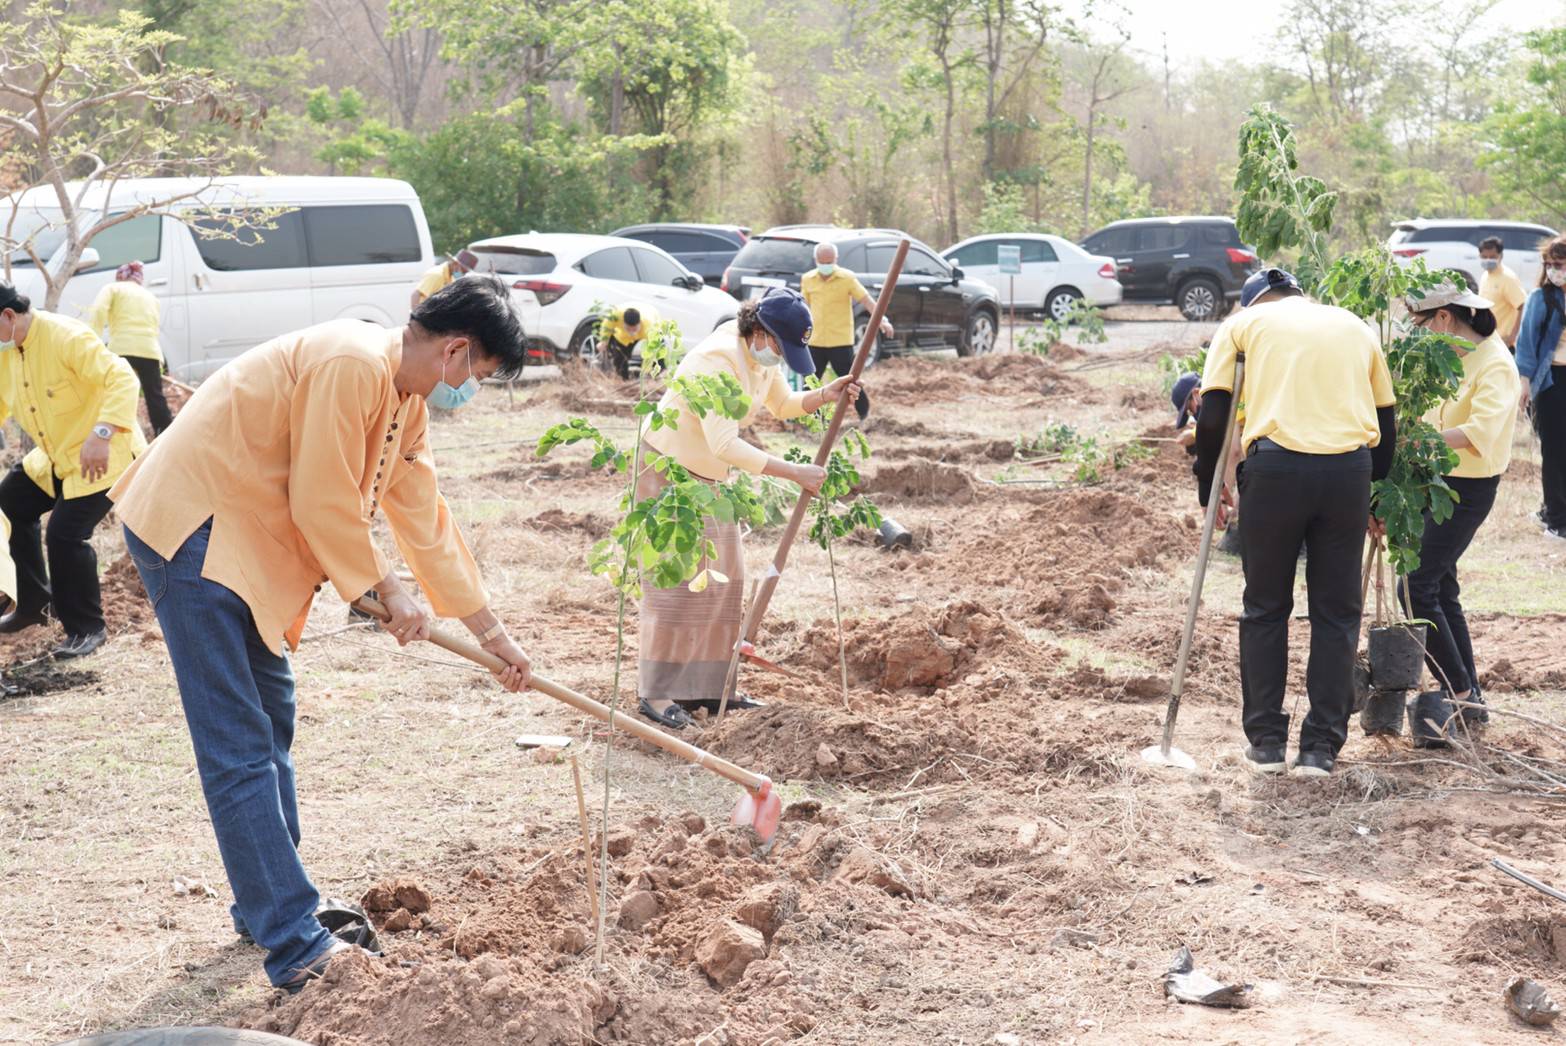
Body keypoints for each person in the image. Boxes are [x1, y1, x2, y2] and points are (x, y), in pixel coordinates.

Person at [109, 276, 533, 993]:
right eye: (479, 376)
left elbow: (420, 509)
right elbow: (322, 496)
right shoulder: (351, 362)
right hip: (195, 529)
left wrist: (488, 628)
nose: (470, 390)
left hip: (247, 541)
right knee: (239, 746)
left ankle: (269, 900)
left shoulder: (403, 396)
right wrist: (383, 590)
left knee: (271, 722)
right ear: (456, 349)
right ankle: (293, 937)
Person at [1195, 267, 1397, 778]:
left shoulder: (1244, 325)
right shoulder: (1354, 326)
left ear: (1254, 301)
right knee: (1335, 612)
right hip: (1347, 472)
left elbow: (1214, 412)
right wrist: (1374, 495)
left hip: (1276, 471)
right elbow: (1386, 420)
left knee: (1265, 606)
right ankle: (1320, 749)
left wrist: (1208, 486)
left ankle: (1265, 743)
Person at [637, 288, 862, 729]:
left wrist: (825, 395)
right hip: (668, 470)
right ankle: (658, 693)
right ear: (759, 331)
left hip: (711, 475)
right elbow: (724, 442)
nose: (783, 356)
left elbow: (782, 405)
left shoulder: (757, 358)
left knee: (726, 581)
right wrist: (793, 471)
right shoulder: (718, 360)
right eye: (783, 346)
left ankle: (710, 687)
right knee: (676, 583)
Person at [1388, 282, 1519, 726]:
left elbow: (1478, 432)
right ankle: (1470, 698)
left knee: (1415, 587)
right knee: (1441, 587)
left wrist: (1409, 441)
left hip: (1469, 488)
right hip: (1437, 480)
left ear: (1445, 318)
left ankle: (1459, 691)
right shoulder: (1453, 357)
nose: (1419, 334)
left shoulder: (1495, 364)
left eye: (1422, 324)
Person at [0, 281, 146, 658]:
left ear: (8, 315)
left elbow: (123, 378)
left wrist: (102, 433)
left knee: (65, 535)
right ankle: (34, 606)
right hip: (55, 457)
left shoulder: (65, 336)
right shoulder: (7, 352)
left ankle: (87, 630)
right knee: (10, 504)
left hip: (101, 455)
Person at [800, 243, 891, 421]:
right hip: (815, 340)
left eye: (829, 261)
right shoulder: (808, 279)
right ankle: (811, 418)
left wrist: (882, 320)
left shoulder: (847, 278)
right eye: (821, 261)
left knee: (850, 381)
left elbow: (867, 300)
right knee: (810, 381)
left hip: (840, 341)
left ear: (836, 260)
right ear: (816, 261)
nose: (825, 265)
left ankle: (864, 413)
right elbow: (803, 306)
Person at [1515, 234, 1566, 541]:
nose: (1552, 270)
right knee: (1555, 450)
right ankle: (1556, 518)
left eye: (1558, 264)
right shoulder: (1540, 298)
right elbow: (1526, 345)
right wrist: (1524, 383)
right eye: (1548, 264)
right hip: (1550, 382)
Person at [86, 261, 173, 435]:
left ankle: (116, 434)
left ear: (120, 277)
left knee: (116, 392)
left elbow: (98, 311)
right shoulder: (151, 297)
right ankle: (166, 435)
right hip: (150, 350)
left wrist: (92, 340)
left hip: (122, 348)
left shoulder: (113, 288)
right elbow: (154, 328)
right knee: (155, 397)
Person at [1478, 236, 1527, 352]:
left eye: (1492, 257)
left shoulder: (1507, 277)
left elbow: (1523, 306)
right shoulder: (1485, 275)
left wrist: (1512, 338)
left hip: (1504, 343)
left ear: (1501, 256)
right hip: (1489, 340)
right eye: (1484, 257)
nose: (1488, 260)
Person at [598, 303, 660, 379]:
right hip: (623, 336)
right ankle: (623, 380)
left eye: (634, 329)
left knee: (656, 359)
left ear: (639, 323)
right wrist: (603, 341)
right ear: (623, 322)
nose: (631, 332)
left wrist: (645, 371)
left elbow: (651, 351)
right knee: (620, 359)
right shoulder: (616, 315)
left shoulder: (649, 327)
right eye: (628, 328)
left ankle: (653, 378)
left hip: (646, 329)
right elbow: (606, 326)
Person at [410, 249, 479, 309]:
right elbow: (416, 294)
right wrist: (416, 317)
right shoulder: (437, 275)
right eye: (463, 271)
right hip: (424, 316)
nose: (464, 275)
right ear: (455, 264)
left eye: (465, 272)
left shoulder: (453, 277)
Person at [1172, 372, 1200, 452]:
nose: (1193, 414)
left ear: (1196, 393)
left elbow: (1228, 417)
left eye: (1190, 409)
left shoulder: (1234, 402)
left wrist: (1195, 434)